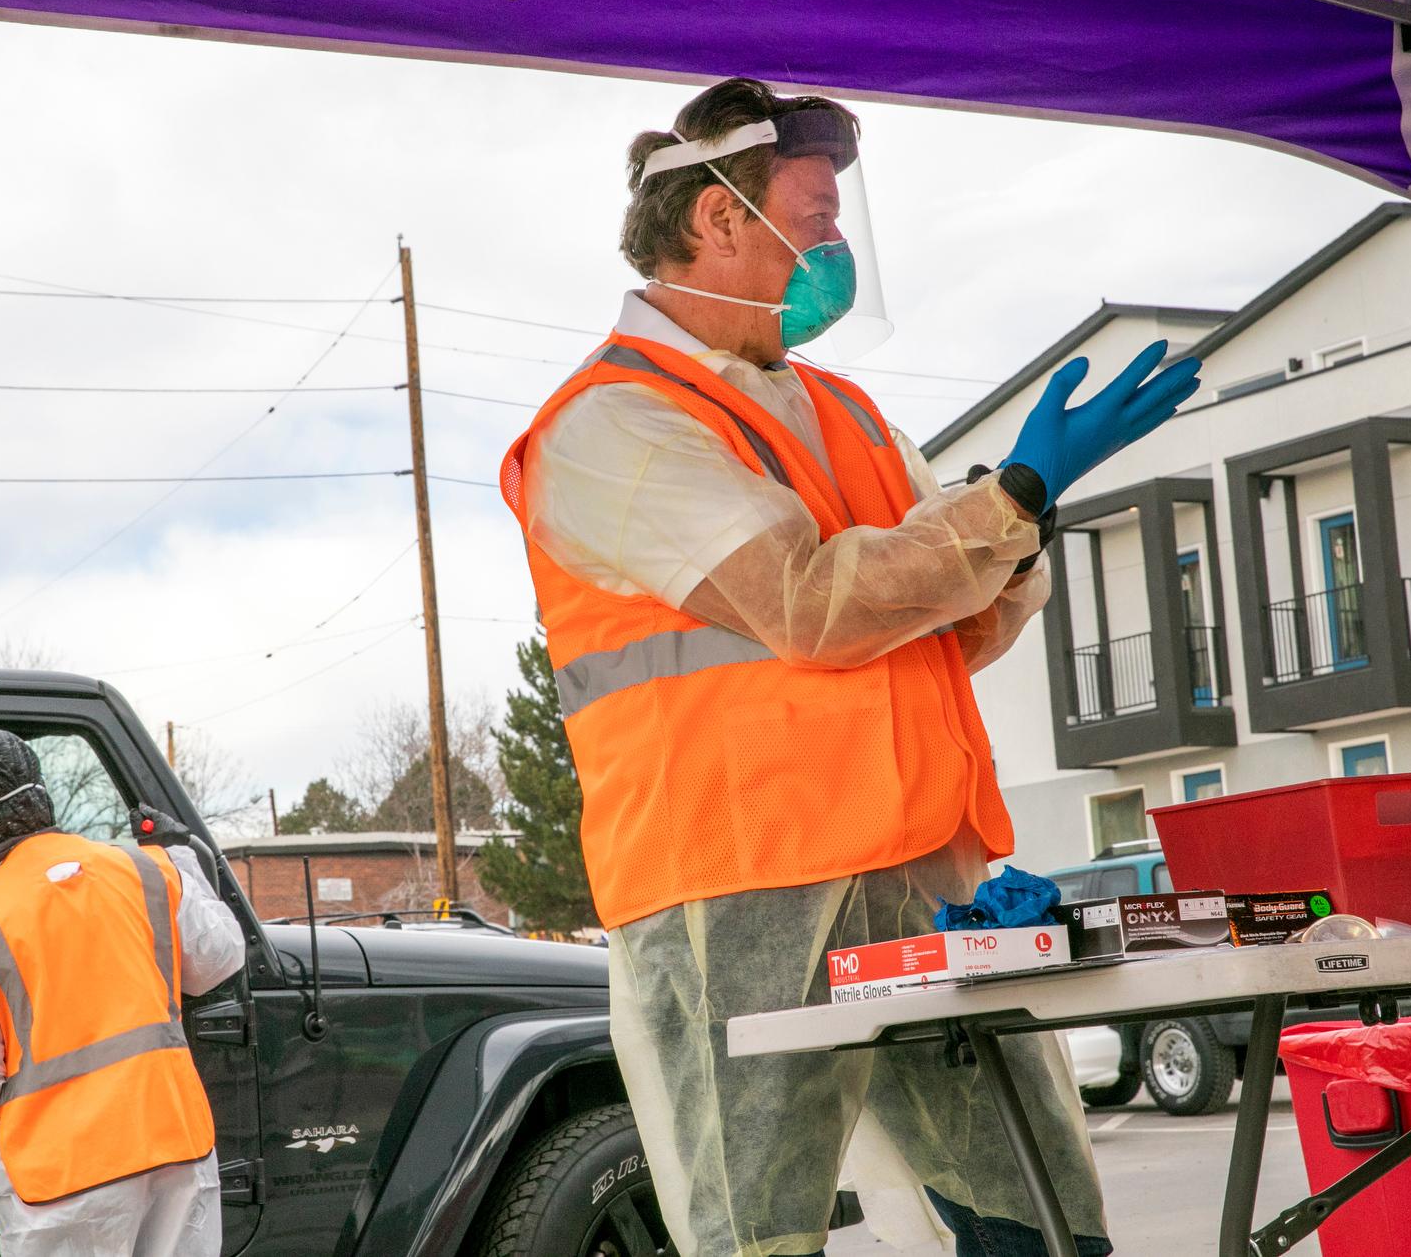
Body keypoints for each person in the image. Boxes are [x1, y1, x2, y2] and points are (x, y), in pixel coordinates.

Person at [498, 78, 1201, 1257]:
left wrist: (1018, 527)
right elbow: (809, 606)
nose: (835, 243)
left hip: (912, 872)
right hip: (736, 890)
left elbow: (953, 625)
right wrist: (1008, 504)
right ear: (720, 219)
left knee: (1035, 1219)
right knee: (757, 1234)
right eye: (816, 216)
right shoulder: (611, 423)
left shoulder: (848, 411)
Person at [0, 729, 245, 1255]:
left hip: (62, 1182)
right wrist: (180, 854)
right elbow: (218, 960)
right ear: (40, 794)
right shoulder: (145, 870)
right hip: (174, 1149)